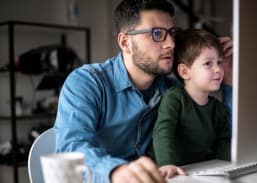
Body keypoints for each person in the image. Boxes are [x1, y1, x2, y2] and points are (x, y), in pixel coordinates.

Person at [54, 0, 233, 182]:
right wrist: (115, 171)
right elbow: (71, 148)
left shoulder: (174, 90)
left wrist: (229, 80)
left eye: (172, 33)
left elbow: (224, 134)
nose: (171, 43)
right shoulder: (88, 82)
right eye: (157, 33)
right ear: (125, 43)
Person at [152, 29, 231, 176]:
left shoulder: (218, 108)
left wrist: (239, 157)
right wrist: (166, 163)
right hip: (171, 172)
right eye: (208, 63)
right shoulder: (174, 98)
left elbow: (222, 143)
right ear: (184, 72)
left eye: (219, 62)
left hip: (200, 171)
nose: (218, 70)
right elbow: (163, 132)